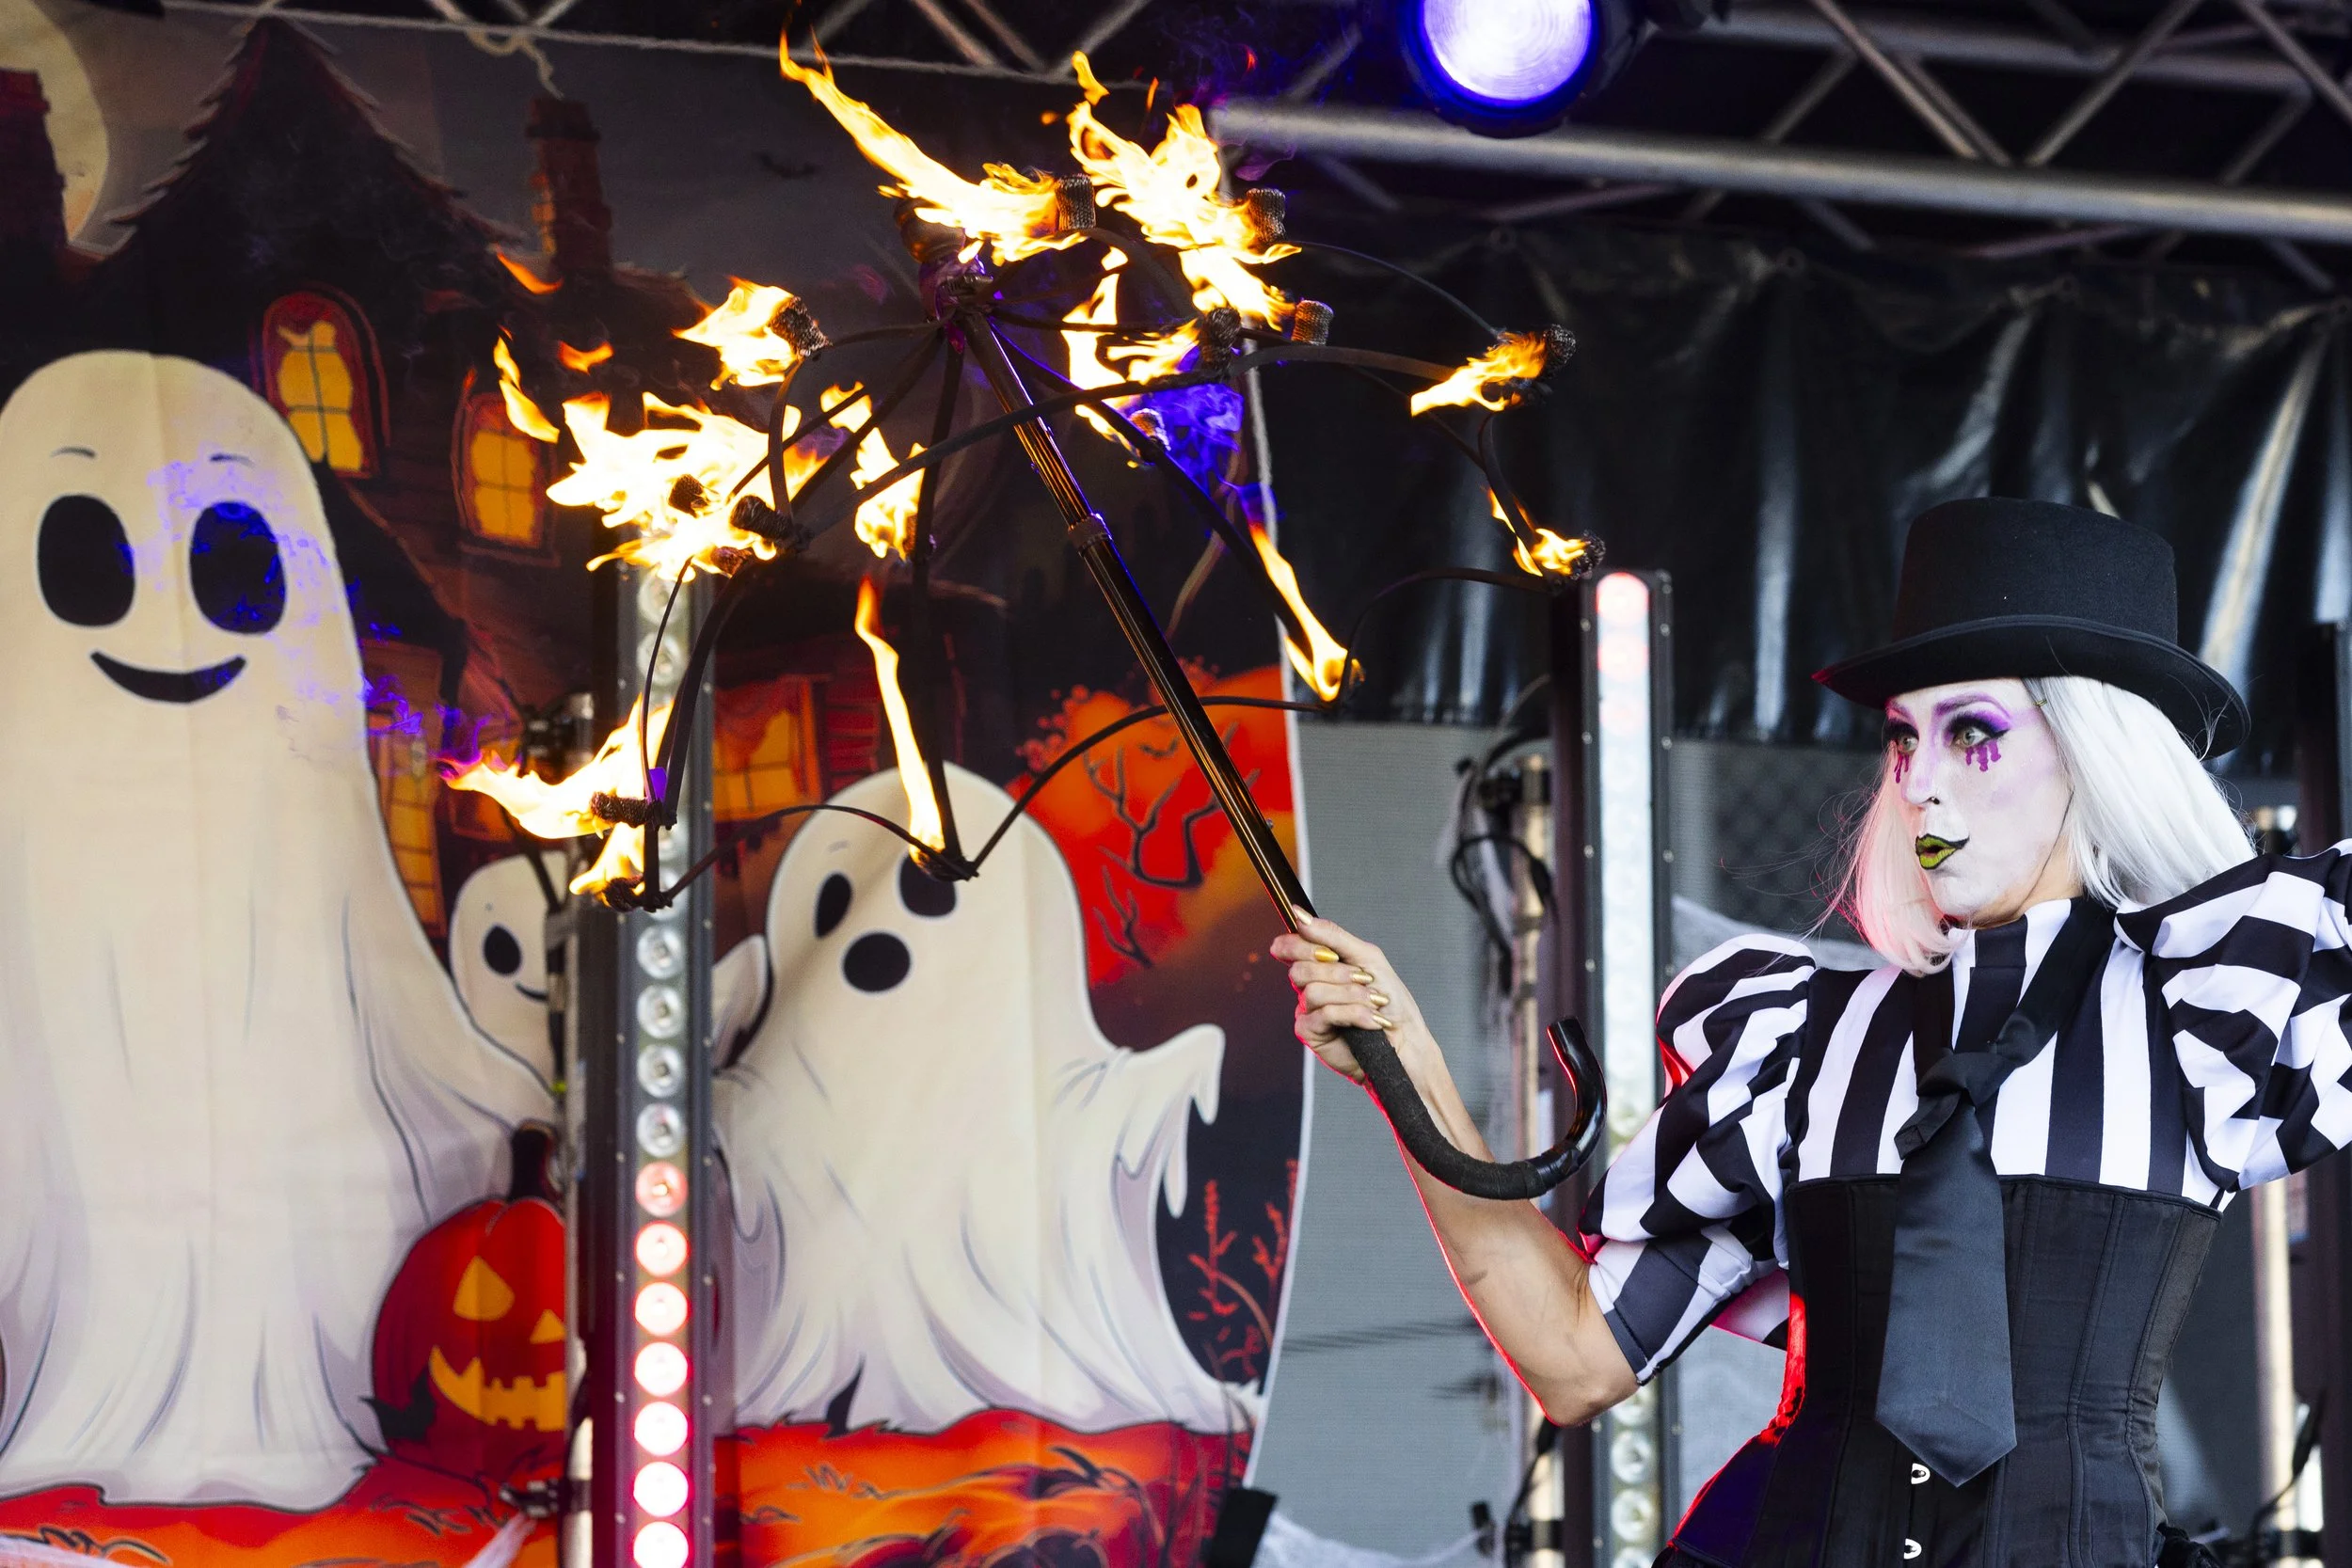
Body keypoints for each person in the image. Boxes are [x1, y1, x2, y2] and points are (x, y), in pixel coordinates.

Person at [1276, 498, 2352, 1568]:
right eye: (1901, 736)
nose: (1918, 780)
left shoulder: (2207, 1006)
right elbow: (1574, 1357)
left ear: (2095, 748)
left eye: (1971, 732)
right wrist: (1403, 1064)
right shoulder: (1797, 1042)